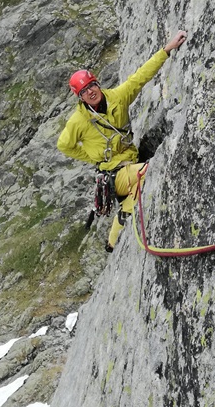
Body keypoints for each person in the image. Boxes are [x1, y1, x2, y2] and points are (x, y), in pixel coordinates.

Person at [58, 31, 187, 251]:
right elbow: (64, 145)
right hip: (113, 175)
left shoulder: (117, 97)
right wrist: (92, 157)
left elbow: (140, 78)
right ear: (79, 97)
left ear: (97, 84)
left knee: (133, 199)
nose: (90, 92)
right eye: (84, 91)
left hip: (129, 162)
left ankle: (112, 240)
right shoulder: (78, 121)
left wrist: (166, 50)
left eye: (92, 86)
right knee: (148, 172)